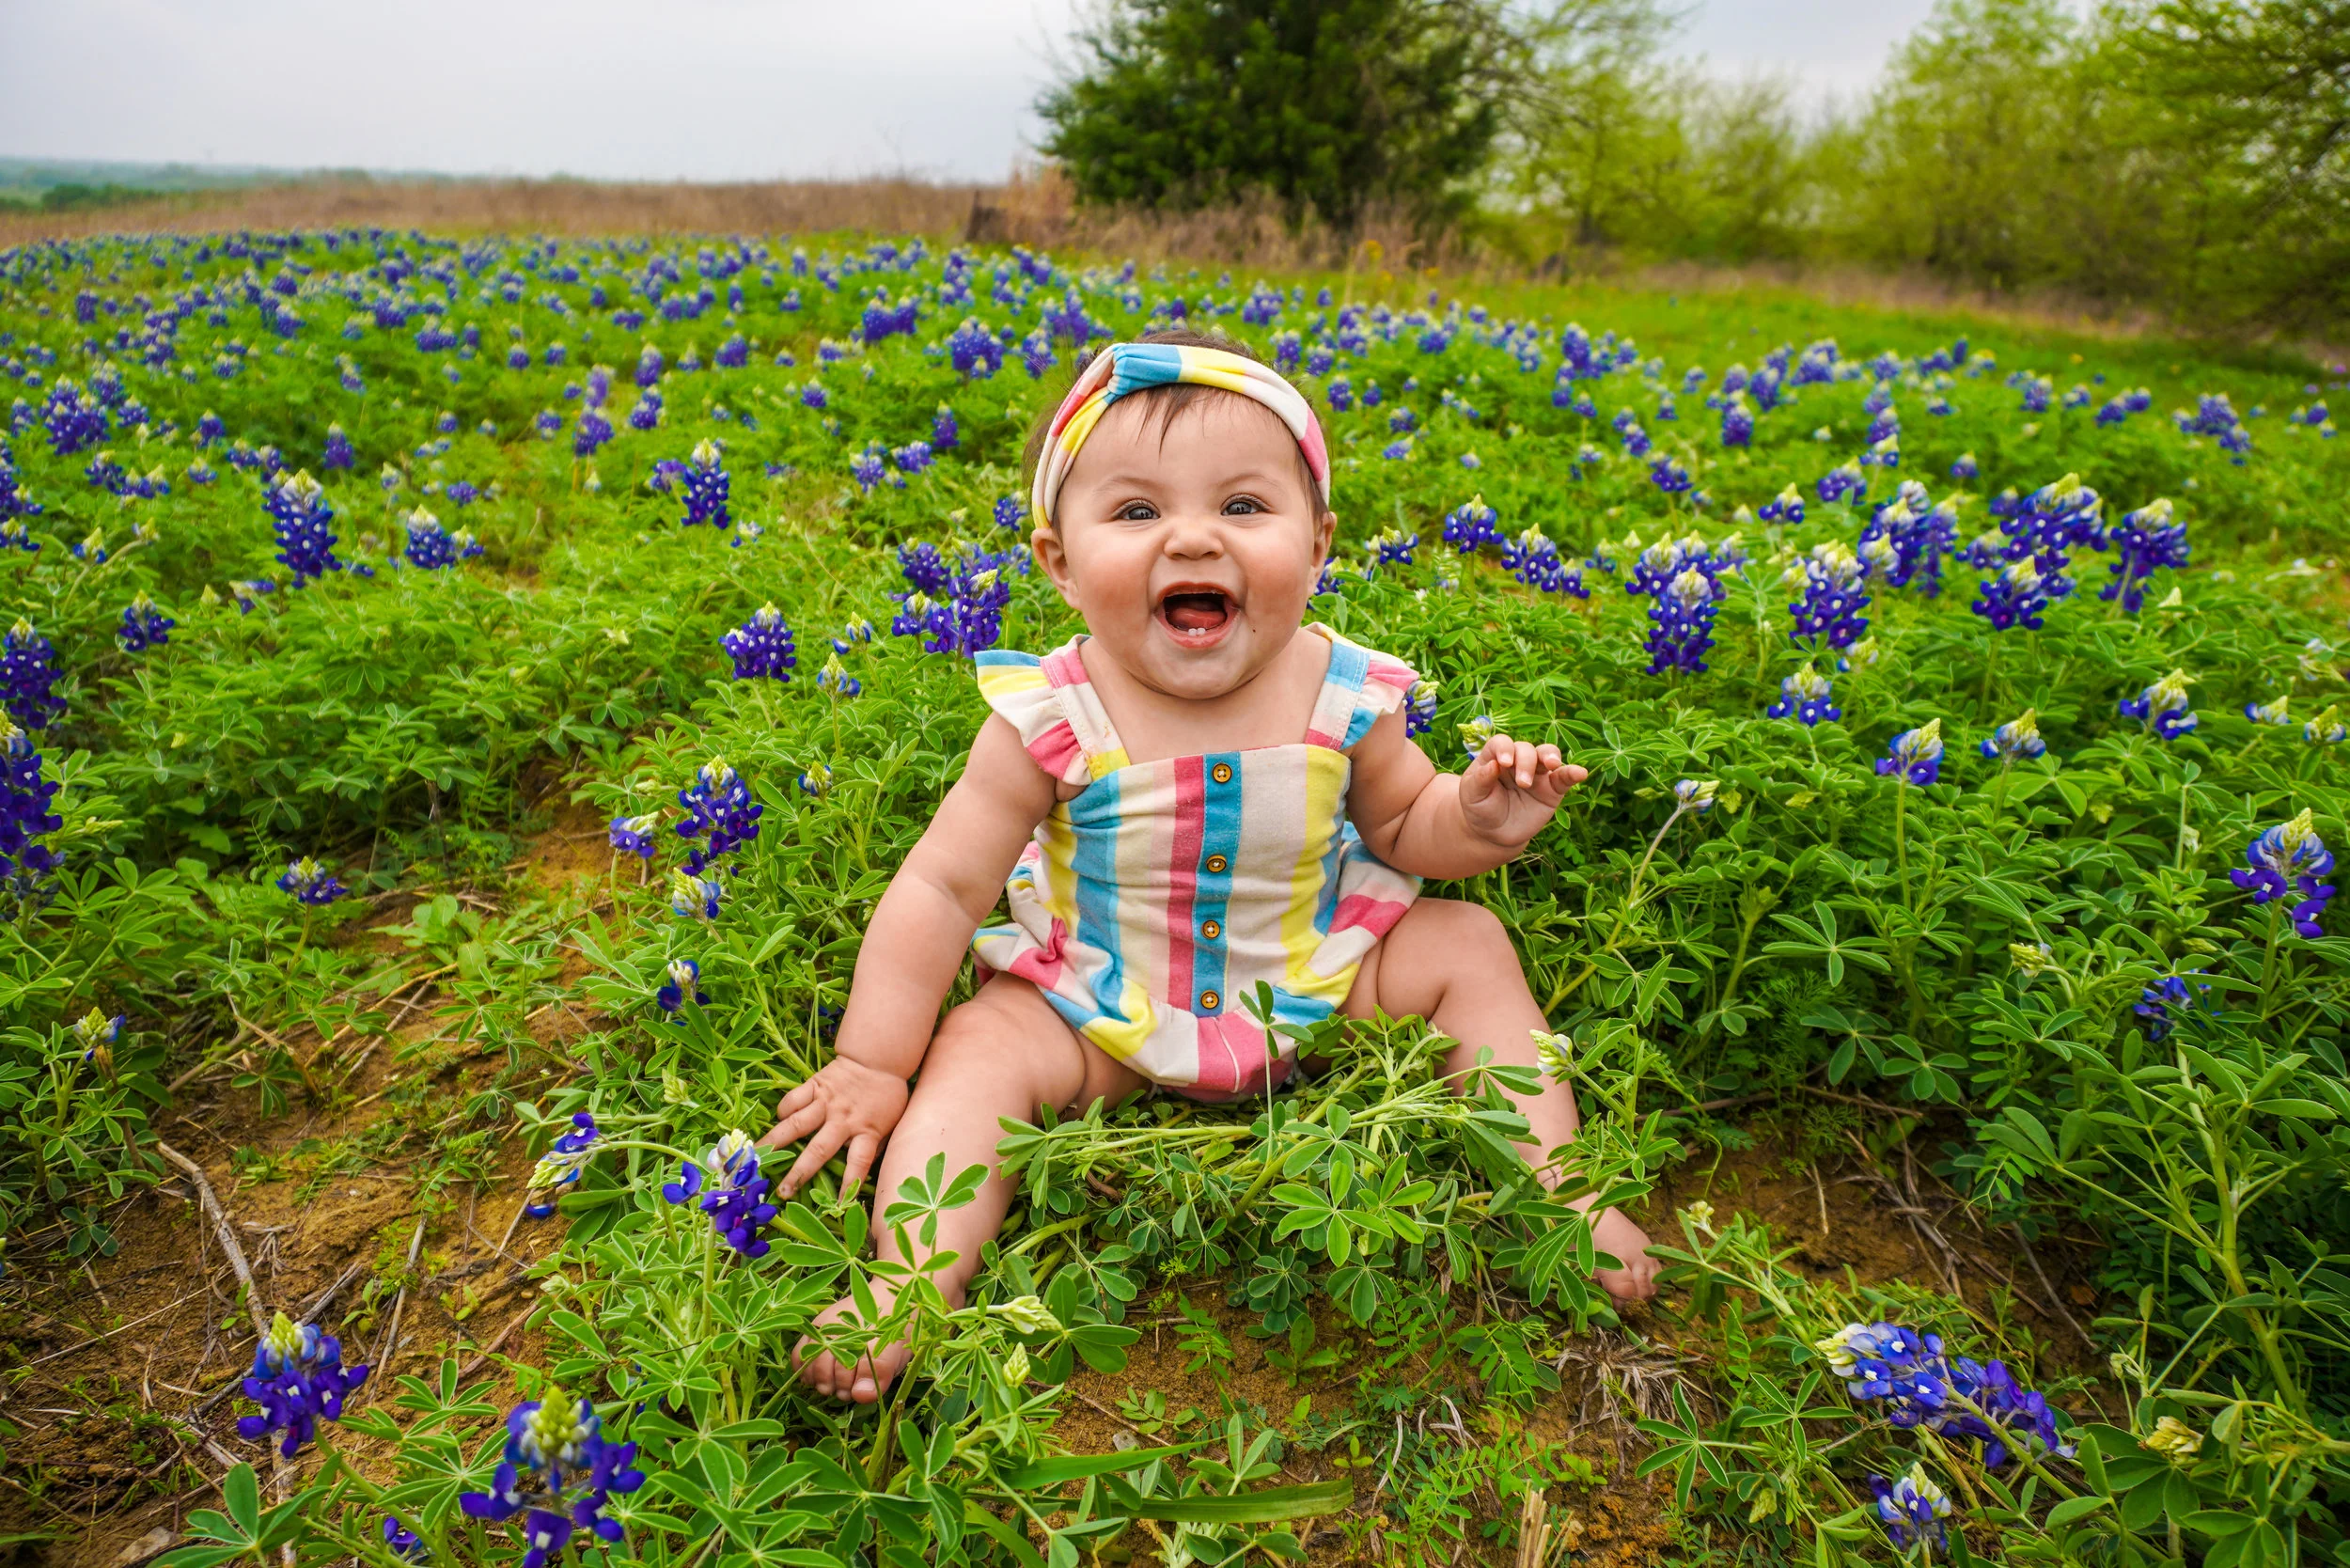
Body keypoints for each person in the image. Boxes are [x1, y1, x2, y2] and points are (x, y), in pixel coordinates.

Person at [760, 328, 1657, 1403]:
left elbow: (1407, 830)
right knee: (977, 1049)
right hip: (1101, 1001)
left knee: (1465, 941)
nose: (1192, 538)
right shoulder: (1050, 717)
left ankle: (1557, 1191)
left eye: (1242, 506)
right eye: (1136, 512)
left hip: (1315, 979)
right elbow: (943, 887)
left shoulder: (1344, 692)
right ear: (1057, 560)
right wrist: (873, 1061)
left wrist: (1478, 815)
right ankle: (911, 1276)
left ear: (1318, 546)